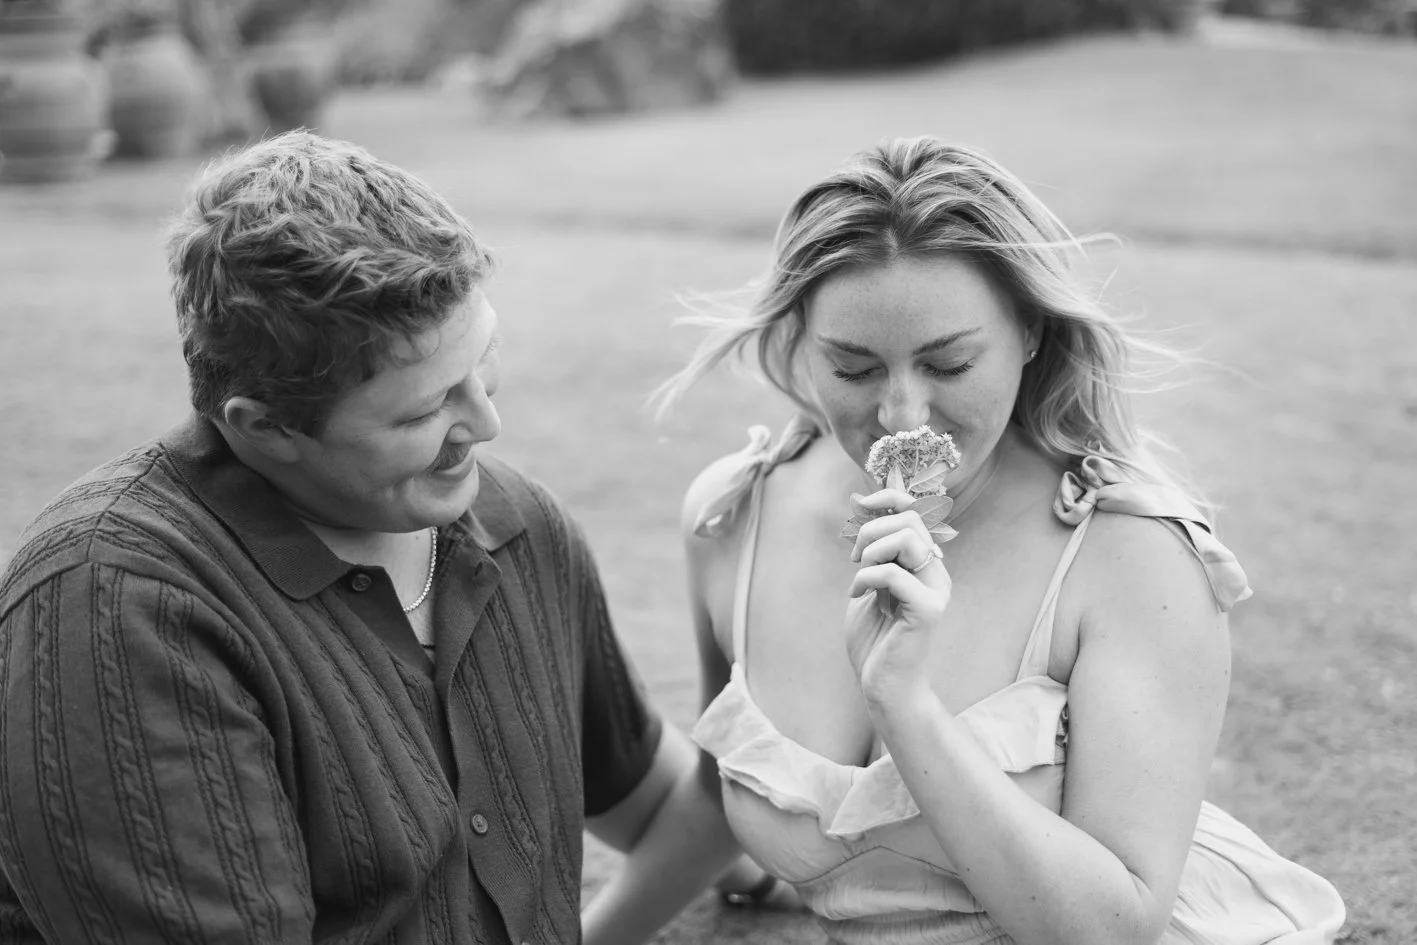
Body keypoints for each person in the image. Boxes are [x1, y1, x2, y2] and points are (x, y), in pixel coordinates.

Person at [0, 131, 738, 944]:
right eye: (424, 411)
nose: (486, 425)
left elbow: (657, 799)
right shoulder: (119, 607)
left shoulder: (517, 526)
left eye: (482, 361)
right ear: (267, 426)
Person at [659, 137, 1347, 944]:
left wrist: (905, 707)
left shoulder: (1133, 556)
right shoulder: (731, 516)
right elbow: (718, 799)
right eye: (852, 367)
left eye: (947, 363)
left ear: (1027, 329)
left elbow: (1114, 930)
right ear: (799, 339)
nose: (902, 415)